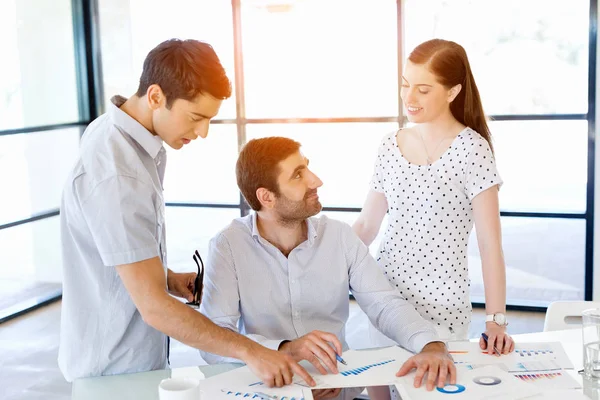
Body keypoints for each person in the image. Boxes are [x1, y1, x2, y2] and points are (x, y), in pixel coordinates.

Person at [58, 39, 314, 388]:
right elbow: (155, 308)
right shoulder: (119, 173)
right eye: (196, 117)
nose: (203, 132)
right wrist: (253, 351)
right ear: (155, 96)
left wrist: (167, 278)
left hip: (129, 357)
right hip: (113, 371)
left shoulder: (122, 135)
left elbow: (114, 248)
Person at [199, 136, 457, 399]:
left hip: (339, 389)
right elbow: (213, 341)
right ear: (266, 197)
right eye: (298, 175)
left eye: (307, 167)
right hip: (269, 392)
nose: (315, 180)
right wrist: (285, 350)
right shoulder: (228, 246)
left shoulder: (340, 236)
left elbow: (385, 304)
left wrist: (430, 343)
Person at [352, 39, 514, 399]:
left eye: (423, 89)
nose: (409, 97)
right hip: (386, 300)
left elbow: (490, 244)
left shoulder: (473, 149)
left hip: (444, 308)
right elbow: (367, 226)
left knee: (433, 393)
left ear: (454, 90)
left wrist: (496, 319)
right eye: (405, 84)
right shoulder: (389, 145)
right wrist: (318, 260)